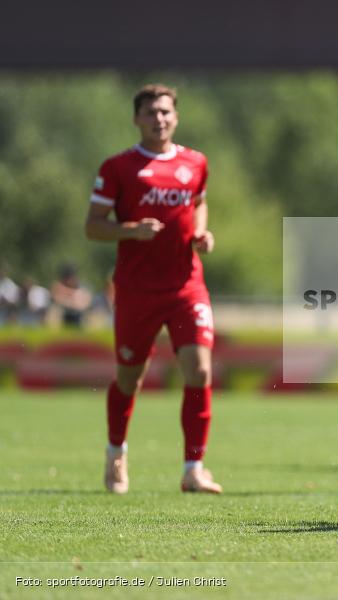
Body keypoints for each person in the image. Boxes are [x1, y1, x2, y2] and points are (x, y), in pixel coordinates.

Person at [85, 83, 221, 494]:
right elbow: (92, 225)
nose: (158, 119)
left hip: (186, 286)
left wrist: (200, 233)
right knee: (130, 378)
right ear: (137, 119)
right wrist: (131, 230)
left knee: (199, 370)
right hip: (136, 290)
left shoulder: (195, 162)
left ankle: (193, 469)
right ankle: (115, 454)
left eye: (165, 112)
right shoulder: (118, 167)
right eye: (150, 112)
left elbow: (198, 202)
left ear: (175, 117)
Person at [50, 264, 92, 328]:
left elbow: (85, 302)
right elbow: (56, 298)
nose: (70, 280)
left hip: (78, 316)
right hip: (63, 315)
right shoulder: (58, 287)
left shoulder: (81, 287)